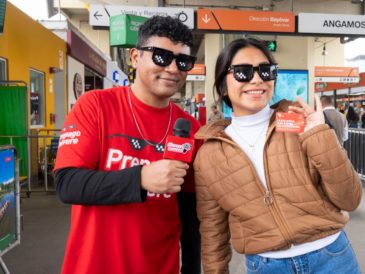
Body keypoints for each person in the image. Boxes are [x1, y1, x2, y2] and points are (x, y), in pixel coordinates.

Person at [193, 38, 362, 274]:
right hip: (266, 266)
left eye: (266, 71)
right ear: (222, 84)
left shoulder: (302, 122)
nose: (257, 79)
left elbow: (350, 199)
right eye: (242, 72)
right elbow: (213, 230)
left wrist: (319, 134)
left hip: (331, 257)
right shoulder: (209, 154)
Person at [54, 16, 201, 274]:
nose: (172, 68)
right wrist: (141, 178)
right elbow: (68, 184)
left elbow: (190, 214)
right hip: (93, 267)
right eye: (161, 56)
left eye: (183, 61)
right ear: (135, 57)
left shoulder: (191, 127)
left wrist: (191, 268)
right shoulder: (95, 106)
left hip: (160, 266)